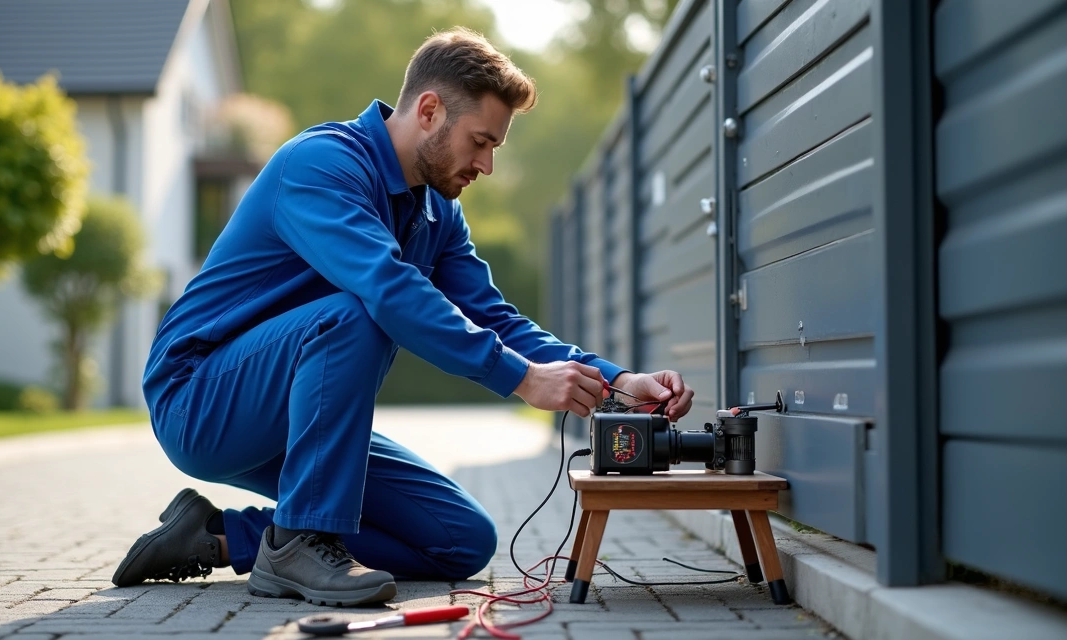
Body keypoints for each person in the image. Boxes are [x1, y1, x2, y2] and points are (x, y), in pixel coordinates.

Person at [111, 27, 694, 606]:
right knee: (355, 313)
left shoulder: (437, 213)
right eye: (481, 141)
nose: (486, 164)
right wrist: (521, 379)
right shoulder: (322, 164)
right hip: (201, 399)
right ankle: (299, 541)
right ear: (430, 109)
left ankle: (215, 537)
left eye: (495, 148)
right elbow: (387, 289)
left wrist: (616, 379)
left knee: (461, 540)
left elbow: (496, 319)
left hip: (298, 414)